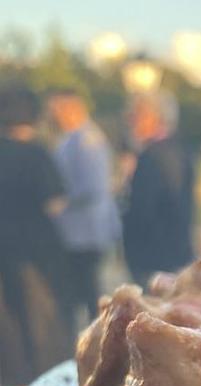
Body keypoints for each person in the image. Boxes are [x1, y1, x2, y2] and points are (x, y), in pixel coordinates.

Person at [0, 86, 68, 386]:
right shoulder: (37, 153)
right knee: (39, 312)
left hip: (4, 241)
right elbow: (55, 203)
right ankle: (43, 372)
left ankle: (15, 373)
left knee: (9, 311)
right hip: (36, 246)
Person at [46, 87, 121, 327]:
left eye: (56, 109)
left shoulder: (88, 140)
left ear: (71, 109)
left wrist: (62, 202)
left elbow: (95, 185)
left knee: (89, 295)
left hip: (86, 233)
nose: (53, 115)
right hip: (75, 233)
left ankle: (96, 343)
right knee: (78, 293)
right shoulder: (71, 137)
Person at [122, 91, 195, 288]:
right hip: (169, 253)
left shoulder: (157, 155)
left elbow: (147, 208)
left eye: (136, 114)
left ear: (155, 117)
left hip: (157, 257)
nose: (131, 120)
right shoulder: (175, 148)